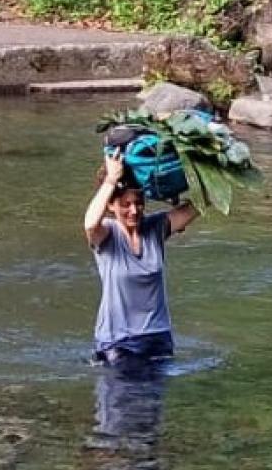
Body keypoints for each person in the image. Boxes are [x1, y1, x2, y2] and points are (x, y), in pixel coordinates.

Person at [83, 154, 200, 369]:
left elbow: (199, 205)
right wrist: (111, 180)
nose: (134, 211)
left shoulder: (154, 228)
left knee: (153, 403)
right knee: (124, 401)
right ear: (111, 205)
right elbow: (90, 224)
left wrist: (210, 168)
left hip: (158, 338)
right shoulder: (107, 234)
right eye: (126, 205)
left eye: (138, 203)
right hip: (118, 343)